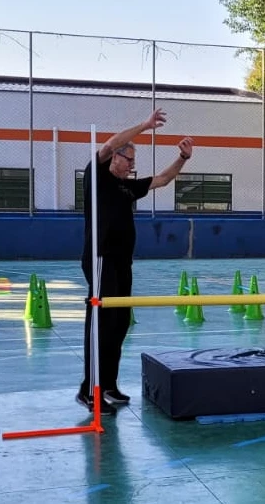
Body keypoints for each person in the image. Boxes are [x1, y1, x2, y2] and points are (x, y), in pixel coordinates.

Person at [77, 108, 195, 416]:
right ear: (116, 158)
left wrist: (183, 158)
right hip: (101, 258)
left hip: (122, 262)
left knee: (120, 322)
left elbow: (164, 179)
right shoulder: (98, 175)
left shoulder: (127, 187)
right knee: (102, 322)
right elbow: (110, 142)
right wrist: (145, 125)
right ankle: (90, 390)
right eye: (129, 160)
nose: (133, 166)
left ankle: (109, 384)